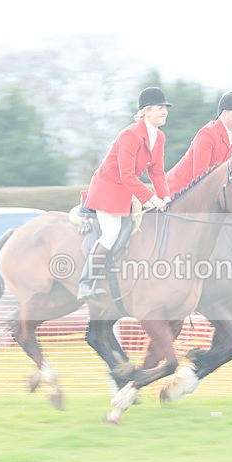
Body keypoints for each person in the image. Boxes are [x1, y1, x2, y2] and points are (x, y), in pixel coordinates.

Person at [77, 86, 173, 301]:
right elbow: (126, 175)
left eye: (165, 108)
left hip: (126, 191)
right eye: (160, 108)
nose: (165, 111)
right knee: (111, 232)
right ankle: (86, 282)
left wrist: (166, 197)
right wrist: (151, 198)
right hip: (107, 190)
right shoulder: (130, 135)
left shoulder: (159, 137)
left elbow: (157, 171)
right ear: (146, 111)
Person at [165, 91, 232, 197]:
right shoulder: (207, 134)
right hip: (176, 191)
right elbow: (200, 176)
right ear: (224, 113)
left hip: (204, 191)